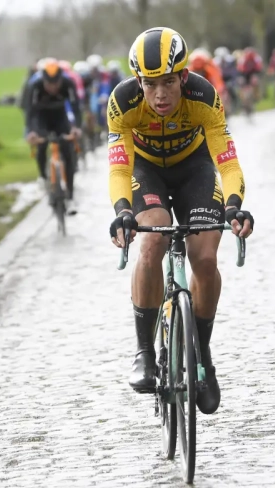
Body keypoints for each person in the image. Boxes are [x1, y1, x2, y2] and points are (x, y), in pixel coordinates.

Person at [107, 27, 255, 415]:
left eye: (168, 82)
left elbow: (227, 158)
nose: (159, 94)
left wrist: (235, 204)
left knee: (204, 259)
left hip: (195, 168)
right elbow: (120, 166)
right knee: (152, 240)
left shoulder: (203, 95)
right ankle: (144, 352)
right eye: (150, 84)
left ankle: (202, 355)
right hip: (147, 173)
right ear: (138, 81)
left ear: (183, 77)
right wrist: (123, 210)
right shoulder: (122, 102)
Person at [26, 58, 82, 209]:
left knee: (68, 150)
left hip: (60, 118)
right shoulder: (35, 86)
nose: (52, 88)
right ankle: (44, 178)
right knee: (42, 145)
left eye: (55, 84)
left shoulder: (68, 84)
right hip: (41, 119)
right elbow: (30, 112)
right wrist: (31, 132)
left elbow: (76, 107)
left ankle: (70, 193)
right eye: (49, 85)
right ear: (43, 81)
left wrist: (76, 127)